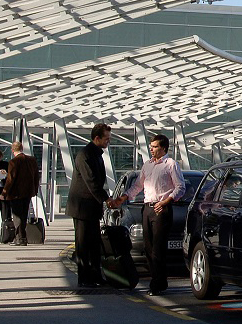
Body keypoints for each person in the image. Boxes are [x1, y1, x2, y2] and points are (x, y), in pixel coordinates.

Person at [111, 134, 185, 296]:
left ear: (163, 148)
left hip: (162, 209)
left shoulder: (171, 164)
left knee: (158, 248)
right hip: (147, 208)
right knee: (148, 247)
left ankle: (156, 284)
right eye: (151, 146)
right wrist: (121, 198)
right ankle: (159, 280)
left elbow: (180, 187)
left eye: (155, 146)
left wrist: (165, 202)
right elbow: (137, 186)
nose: (152, 149)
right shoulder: (147, 165)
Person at [65, 123, 111, 287]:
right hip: (82, 208)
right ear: (96, 138)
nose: (108, 142)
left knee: (93, 243)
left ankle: (95, 275)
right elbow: (91, 181)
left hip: (90, 208)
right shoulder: (85, 155)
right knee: (83, 243)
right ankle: (84, 278)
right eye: (106, 139)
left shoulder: (96, 154)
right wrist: (106, 199)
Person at [0, 139, 39, 246]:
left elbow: (10, 179)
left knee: (17, 216)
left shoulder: (13, 162)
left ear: (13, 150)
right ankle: (23, 237)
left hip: (16, 193)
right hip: (28, 192)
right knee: (23, 214)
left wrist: (4, 193)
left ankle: (20, 238)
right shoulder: (32, 160)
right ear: (22, 149)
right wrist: (35, 189)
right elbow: (36, 177)